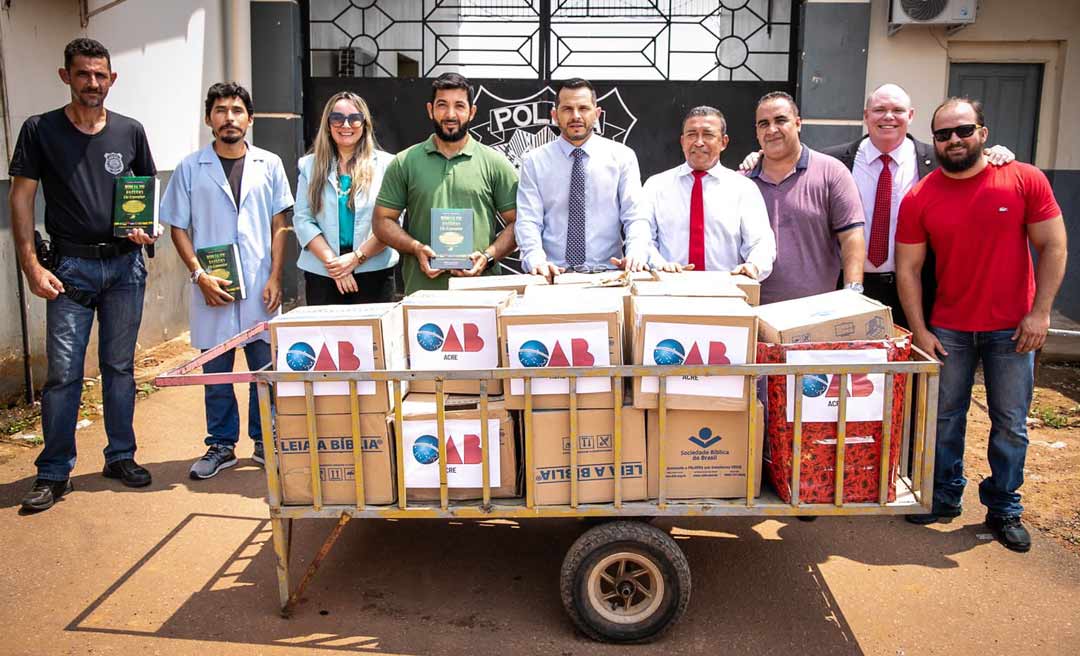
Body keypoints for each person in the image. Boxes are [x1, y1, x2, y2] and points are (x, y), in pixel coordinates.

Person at [895, 97, 1067, 552]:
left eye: (963, 130)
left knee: (1010, 422)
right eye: (944, 134)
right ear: (933, 141)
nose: (954, 140)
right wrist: (921, 328)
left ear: (983, 133)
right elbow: (907, 269)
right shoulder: (920, 196)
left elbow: (1054, 246)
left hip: (1014, 329)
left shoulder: (1023, 179)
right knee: (944, 418)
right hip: (949, 328)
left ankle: (1003, 508)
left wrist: (1041, 312)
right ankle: (945, 496)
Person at [10, 38, 158, 512]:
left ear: (112, 79)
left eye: (100, 75)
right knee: (64, 376)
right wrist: (31, 264)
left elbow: (146, 196)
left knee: (119, 369)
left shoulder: (131, 131)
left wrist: (145, 231)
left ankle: (120, 456)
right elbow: (21, 199)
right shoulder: (40, 130)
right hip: (69, 269)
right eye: (83, 74)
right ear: (66, 76)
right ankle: (54, 472)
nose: (92, 83)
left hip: (124, 267)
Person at [740, 83, 1014, 326]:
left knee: (909, 374)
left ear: (911, 115)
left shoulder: (935, 160)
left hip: (916, 286)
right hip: (847, 286)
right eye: (879, 109)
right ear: (866, 116)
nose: (888, 117)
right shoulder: (838, 162)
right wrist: (758, 157)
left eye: (897, 109)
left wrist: (994, 153)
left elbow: (969, 160)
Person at [160, 82, 294, 480]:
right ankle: (220, 445)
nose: (229, 117)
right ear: (208, 119)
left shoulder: (269, 164)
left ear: (249, 119)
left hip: (258, 287)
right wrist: (198, 275)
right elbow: (178, 228)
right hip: (211, 289)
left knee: (263, 371)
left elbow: (280, 225)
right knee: (215, 372)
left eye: (237, 110)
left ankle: (263, 443)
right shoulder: (190, 167)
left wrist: (274, 276)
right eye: (220, 110)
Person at [371, 73, 518, 294]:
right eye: (442, 105)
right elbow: (382, 221)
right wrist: (416, 248)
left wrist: (487, 257)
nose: (451, 114)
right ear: (430, 110)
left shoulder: (495, 163)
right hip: (423, 292)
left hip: (481, 293)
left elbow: (520, 223)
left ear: (472, 112)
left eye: (459, 106)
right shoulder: (405, 162)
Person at [515, 78, 652, 281]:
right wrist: (535, 260)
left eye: (584, 108)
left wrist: (636, 254)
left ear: (596, 114)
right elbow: (528, 220)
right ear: (555, 115)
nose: (576, 116)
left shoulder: (622, 157)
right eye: (567, 109)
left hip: (609, 276)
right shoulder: (534, 161)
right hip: (552, 276)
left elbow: (635, 216)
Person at [744, 91, 865, 304]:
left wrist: (852, 293)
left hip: (815, 314)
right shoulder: (742, 182)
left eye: (781, 120)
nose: (772, 130)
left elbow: (852, 237)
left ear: (798, 123)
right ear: (756, 132)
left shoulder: (832, 172)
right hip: (752, 310)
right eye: (764, 124)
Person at [643, 105, 775, 278]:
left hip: (727, 292)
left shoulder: (743, 188)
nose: (699, 142)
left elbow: (760, 241)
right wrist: (659, 264)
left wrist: (754, 265)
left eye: (708, 134)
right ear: (683, 142)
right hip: (667, 287)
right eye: (691, 135)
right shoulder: (656, 186)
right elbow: (643, 238)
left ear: (723, 142)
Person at [293, 91, 397, 304]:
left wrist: (355, 259)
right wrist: (336, 266)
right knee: (326, 337)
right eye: (337, 118)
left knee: (373, 338)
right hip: (323, 272)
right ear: (328, 124)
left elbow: (392, 223)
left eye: (354, 118)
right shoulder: (309, 166)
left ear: (364, 123)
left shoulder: (388, 166)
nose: (346, 125)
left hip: (373, 271)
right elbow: (302, 219)